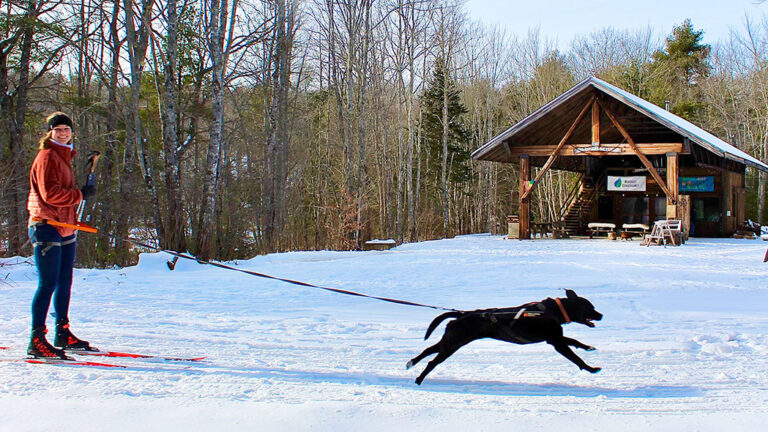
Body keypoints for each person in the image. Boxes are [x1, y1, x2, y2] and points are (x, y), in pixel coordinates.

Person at [26, 112, 95, 359]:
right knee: (48, 282)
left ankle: (62, 332)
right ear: (50, 133)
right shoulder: (47, 157)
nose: (63, 133)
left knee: (65, 280)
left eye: (66, 129)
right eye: (58, 130)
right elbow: (50, 195)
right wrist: (80, 194)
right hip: (45, 224)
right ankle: (36, 339)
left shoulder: (64, 156)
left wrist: (78, 198)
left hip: (64, 225)